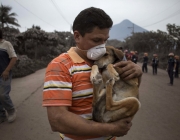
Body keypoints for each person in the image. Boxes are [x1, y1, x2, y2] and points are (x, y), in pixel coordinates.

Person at [42, 7, 142, 140]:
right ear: (77, 36)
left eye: (105, 40)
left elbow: (128, 91)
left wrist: (137, 74)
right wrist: (111, 129)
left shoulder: (109, 59)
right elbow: (57, 119)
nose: (102, 46)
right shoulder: (61, 66)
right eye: (96, 40)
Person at [0, 29, 17, 123]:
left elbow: (14, 58)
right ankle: (1, 115)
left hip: (4, 74)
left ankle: (11, 111)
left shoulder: (6, 44)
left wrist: (7, 70)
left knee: (2, 94)